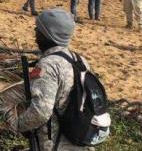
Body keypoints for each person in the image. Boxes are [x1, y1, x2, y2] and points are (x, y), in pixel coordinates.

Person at [17, 8, 95, 150]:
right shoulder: (80, 60)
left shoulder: (48, 65)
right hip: (79, 137)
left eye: (38, 30)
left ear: (48, 34)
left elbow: (41, 113)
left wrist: (18, 125)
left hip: (55, 143)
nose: (35, 34)